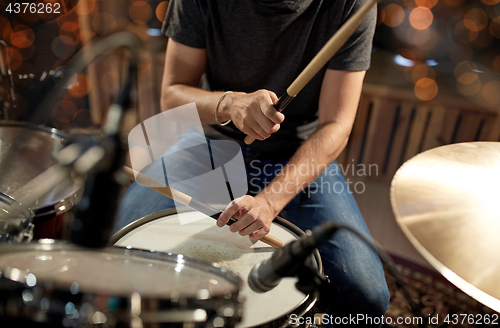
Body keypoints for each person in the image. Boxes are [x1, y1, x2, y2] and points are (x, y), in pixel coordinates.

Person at [116, 0, 390, 323]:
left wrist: (270, 202)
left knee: (368, 295)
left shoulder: (352, 5)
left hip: (298, 152)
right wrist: (229, 104)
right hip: (209, 142)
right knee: (118, 252)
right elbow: (172, 93)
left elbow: (336, 125)